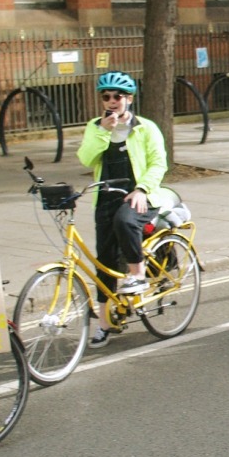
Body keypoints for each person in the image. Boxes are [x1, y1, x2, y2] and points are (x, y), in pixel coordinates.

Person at [77, 71, 173, 348]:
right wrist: (104, 132)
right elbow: (86, 158)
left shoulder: (146, 128)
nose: (111, 101)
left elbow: (159, 163)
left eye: (117, 96)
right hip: (105, 197)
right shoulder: (96, 126)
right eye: (106, 97)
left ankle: (138, 274)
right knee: (103, 261)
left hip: (140, 195)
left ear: (129, 99)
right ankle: (104, 324)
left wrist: (142, 189)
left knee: (125, 220)